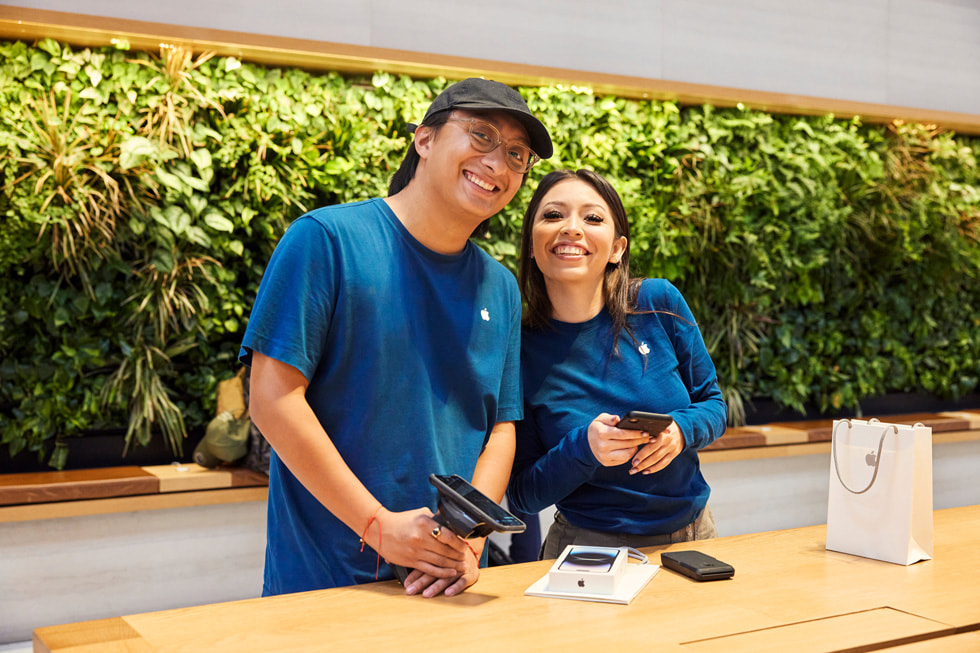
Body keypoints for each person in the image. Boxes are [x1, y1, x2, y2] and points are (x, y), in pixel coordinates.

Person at [240, 78, 553, 597]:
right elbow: (272, 400)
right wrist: (379, 527)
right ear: (424, 140)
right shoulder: (326, 240)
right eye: (480, 136)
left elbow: (500, 426)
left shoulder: (499, 286)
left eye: (517, 154)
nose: (498, 164)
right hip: (326, 582)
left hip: (447, 585)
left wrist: (470, 540)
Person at [506, 169, 727, 559]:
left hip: (693, 537)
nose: (572, 229)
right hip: (585, 550)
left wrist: (680, 430)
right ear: (530, 245)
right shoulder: (519, 350)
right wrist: (584, 449)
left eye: (592, 218)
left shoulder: (658, 302)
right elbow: (523, 494)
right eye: (554, 215)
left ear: (617, 248)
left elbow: (713, 404)